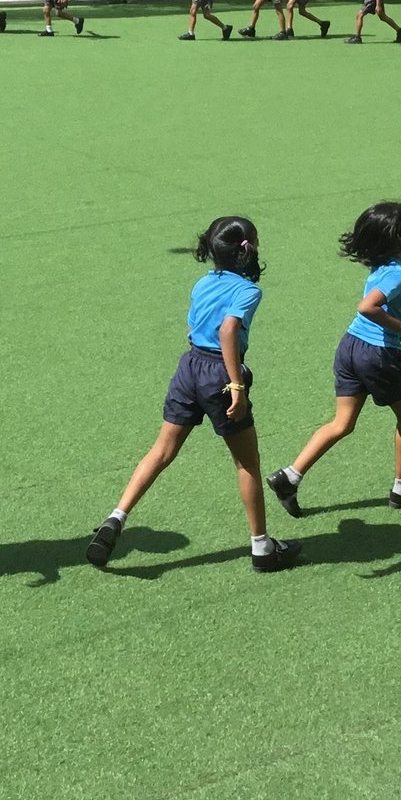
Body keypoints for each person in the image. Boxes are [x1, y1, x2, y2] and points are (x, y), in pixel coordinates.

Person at [85, 216, 302, 574]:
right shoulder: (248, 290)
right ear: (247, 249)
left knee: (161, 450)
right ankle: (263, 548)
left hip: (189, 368)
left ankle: (116, 518)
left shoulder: (204, 283)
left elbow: (193, 327)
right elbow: (228, 331)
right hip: (219, 373)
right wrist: (236, 385)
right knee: (247, 462)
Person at [267, 201, 401, 517]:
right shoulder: (397, 274)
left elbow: (381, 303)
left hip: (351, 347)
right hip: (378, 355)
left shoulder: (385, 268)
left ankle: (290, 476)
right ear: (398, 238)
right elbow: (367, 307)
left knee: (342, 423)